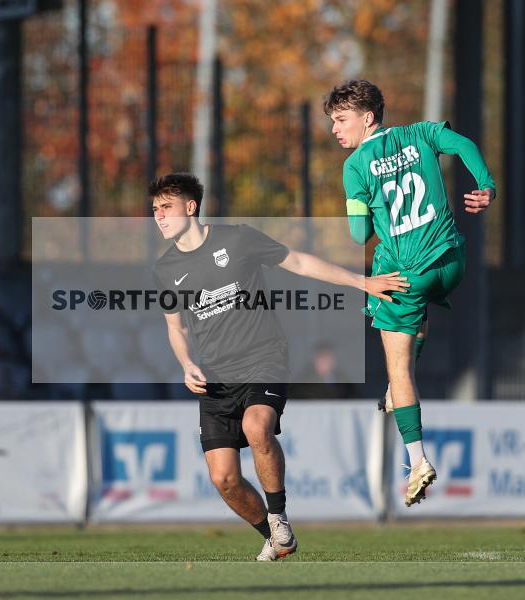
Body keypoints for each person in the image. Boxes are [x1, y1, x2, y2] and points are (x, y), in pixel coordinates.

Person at [150, 172, 408, 561]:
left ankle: (279, 515)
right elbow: (175, 327)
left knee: (257, 427)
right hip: (215, 376)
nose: (159, 216)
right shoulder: (166, 269)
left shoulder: (237, 239)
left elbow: (300, 261)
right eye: (154, 209)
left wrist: (361, 281)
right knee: (224, 479)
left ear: (191, 207)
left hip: (263, 356)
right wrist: (186, 363)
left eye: (166, 207)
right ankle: (275, 536)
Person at [324, 79, 496, 507]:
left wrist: (361, 204)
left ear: (368, 118)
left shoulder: (354, 166)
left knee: (397, 368)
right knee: (414, 305)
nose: (335, 130)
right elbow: (464, 144)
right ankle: (400, 376)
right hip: (452, 263)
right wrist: (486, 184)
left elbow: (359, 233)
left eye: (341, 120)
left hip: (407, 277)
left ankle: (417, 459)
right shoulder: (421, 133)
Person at [292, 340, 357, 399]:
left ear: (334, 360)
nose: (324, 361)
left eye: (328, 356)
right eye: (321, 356)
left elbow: (355, 400)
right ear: (314, 360)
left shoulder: (344, 381)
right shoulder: (302, 381)